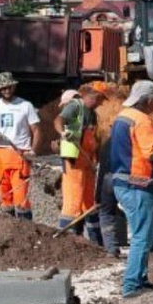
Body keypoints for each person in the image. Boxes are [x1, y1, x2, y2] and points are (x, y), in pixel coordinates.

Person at [109, 80, 153, 297]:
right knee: (141, 236)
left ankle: (140, 278)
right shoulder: (141, 121)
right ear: (148, 100)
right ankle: (132, 285)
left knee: (142, 234)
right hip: (138, 184)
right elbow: (152, 153)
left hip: (124, 182)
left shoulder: (122, 118)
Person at [0, 71, 41, 220]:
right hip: (0, 156)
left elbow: (37, 130)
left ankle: (26, 232)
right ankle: (8, 232)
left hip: (20, 156)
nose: (6, 90)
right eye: (3, 88)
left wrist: (33, 151)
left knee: (21, 198)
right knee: (4, 197)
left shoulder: (25, 106)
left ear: (14, 86)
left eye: (9, 87)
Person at [54, 84, 105, 237]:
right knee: (73, 200)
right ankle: (69, 240)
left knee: (89, 202)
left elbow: (93, 139)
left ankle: (95, 240)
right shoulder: (76, 106)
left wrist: (96, 160)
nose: (101, 104)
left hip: (87, 162)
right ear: (93, 96)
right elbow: (59, 119)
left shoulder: (92, 114)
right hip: (74, 160)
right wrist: (63, 133)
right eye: (100, 100)